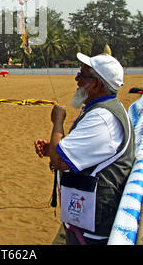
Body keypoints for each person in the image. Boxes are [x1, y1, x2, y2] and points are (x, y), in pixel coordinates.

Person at [35, 52, 135, 245]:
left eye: (81, 75)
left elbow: (60, 162)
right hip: (90, 220)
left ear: (97, 84)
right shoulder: (102, 109)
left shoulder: (102, 118)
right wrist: (52, 149)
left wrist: (57, 122)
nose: (76, 79)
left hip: (95, 229)